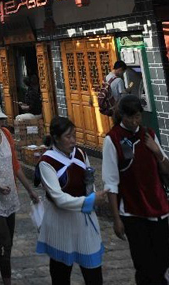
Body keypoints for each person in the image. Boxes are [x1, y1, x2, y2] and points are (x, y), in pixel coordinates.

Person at [102, 95, 169, 285]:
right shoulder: (113, 139)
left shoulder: (149, 135)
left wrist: (156, 151)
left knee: (163, 259)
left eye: (138, 117)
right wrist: (116, 219)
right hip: (133, 210)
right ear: (121, 115)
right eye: (130, 117)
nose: (134, 121)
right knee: (144, 264)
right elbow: (111, 182)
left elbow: (166, 169)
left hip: (158, 208)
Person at [36, 116, 105, 285]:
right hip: (61, 222)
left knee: (93, 273)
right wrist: (89, 202)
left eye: (74, 135)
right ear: (56, 138)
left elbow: (89, 181)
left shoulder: (80, 153)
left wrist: (92, 195)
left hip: (84, 221)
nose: (73, 140)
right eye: (68, 137)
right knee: (61, 274)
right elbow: (58, 198)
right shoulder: (46, 162)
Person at [0, 101, 39, 285]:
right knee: (5, 242)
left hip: (10, 196)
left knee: (7, 242)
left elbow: (15, 166)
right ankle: (7, 281)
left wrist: (30, 191)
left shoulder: (7, 134)